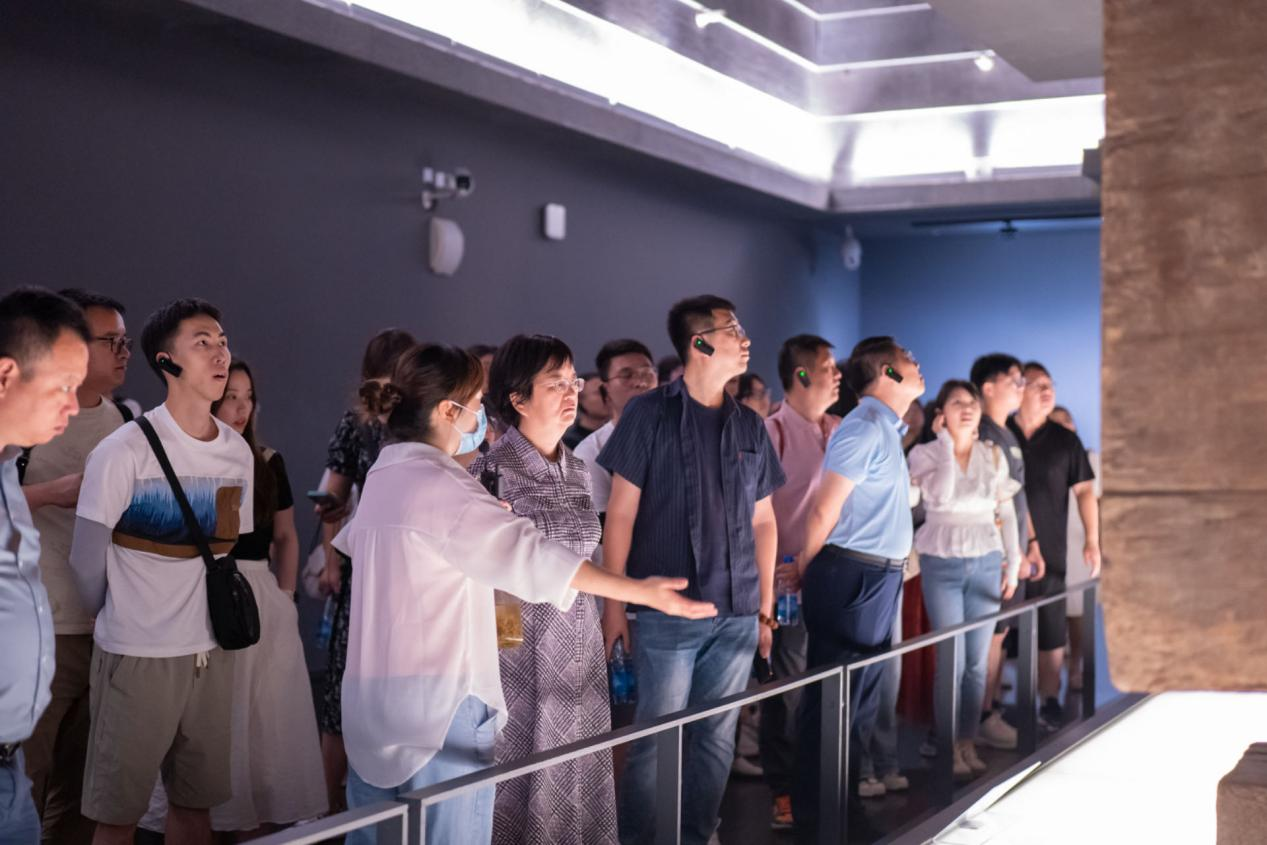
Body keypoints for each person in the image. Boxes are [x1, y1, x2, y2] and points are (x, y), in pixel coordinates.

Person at [331, 342, 716, 845]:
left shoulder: (386, 474)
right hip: (449, 695)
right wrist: (637, 591)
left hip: (378, 695)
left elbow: (372, 548)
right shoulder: (452, 482)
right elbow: (533, 555)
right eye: (475, 402)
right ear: (448, 411)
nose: (481, 416)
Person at [599, 295, 784, 845]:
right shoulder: (649, 412)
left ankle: (699, 836)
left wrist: (765, 610)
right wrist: (616, 606)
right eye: (733, 329)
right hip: (666, 612)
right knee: (655, 741)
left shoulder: (749, 425)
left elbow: (765, 522)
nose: (745, 339)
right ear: (700, 343)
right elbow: (621, 514)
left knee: (716, 740)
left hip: (737, 609)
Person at [68, 298, 253, 845]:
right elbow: (85, 559)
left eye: (222, 342)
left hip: (211, 650)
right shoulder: (123, 450)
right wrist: (114, 615)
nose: (220, 354)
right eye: (203, 343)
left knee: (196, 809)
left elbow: (226, 551)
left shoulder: (237, 453)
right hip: (138, 653)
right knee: (117, 816)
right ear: (166, 361)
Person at [468, 335, 616, 844]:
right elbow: (485, 572)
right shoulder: (490, 470)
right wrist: (504, 645)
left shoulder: (577, 469)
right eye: (555, 384)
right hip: (517, 643)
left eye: (573, 381)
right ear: (518, 398)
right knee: (517, 770)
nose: (572, 393)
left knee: (578, 767)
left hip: (578, 638)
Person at [793, 336, 924, 839]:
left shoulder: (884, 427)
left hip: (877, 574)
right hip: (853, 573)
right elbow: (824, 509)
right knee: (835, 702)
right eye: (908, 358)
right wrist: (808, 570)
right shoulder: (865, 426)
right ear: (887, 372)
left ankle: (840, 811)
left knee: (858, 702)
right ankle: (819, 818)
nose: (917, 364)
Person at [17, 289, 130, 844]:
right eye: (111, 341)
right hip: (41, 625)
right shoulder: (24, 424)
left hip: (106, 627)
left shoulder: (125, 422)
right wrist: (52, 492)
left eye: (126, 341)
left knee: (84, 787)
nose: (124, 353)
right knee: (26, 779)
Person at [209, 360, 327, 833]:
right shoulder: (192, 457)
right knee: (218, 717)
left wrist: (286, 595)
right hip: (209, 587)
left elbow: (286, 535)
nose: (241, 408)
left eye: (248, 397)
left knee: (266, 722)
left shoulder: (267, 459)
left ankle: (253, 825)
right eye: (231, 397)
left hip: (260, 591)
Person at [0, 287, 90, 843]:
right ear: (6, 375)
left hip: (12, 772)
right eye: (64, 386)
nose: (73, 406)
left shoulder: (9, 471)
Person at [314, 328, 416, 813]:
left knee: (374, 693)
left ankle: (353, 811)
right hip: (370, 568)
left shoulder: (419, 421)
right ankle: (329, 811)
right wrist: (333, 561)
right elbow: (330, 501)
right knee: (346, 693)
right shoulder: (360, 425)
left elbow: (329, 502)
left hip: (394, 569)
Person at [908, 380, 1023, 780]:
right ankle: (945, 746)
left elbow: (1006, 512)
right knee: (951, 659)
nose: (967, 408)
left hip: (986, 558)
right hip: (941, 561)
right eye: (957, 402)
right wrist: (945, 443)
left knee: (976, 663)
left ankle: (966, 741)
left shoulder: (992, 454)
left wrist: (1014, 560)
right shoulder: (925, 453)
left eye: (971, 401)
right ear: (942, 412)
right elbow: (940, 495)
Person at [758, 335, 841, 829]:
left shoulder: (840, 429)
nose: (838, 374)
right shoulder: (772, 433)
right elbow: (757, 515)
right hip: (786, 582)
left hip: (834, 579)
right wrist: (768, 578)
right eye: (828, 367)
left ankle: (822, 781)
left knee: (829, 687)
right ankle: (784, 790)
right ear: (802, 375)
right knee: (786, 692)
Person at [1009, 365, 1099, 730]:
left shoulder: (1065, 440)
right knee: (999, 632)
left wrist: (1092, 539)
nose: (1048, 392)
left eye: (1051, 385)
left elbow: (1085, 490)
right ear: (1020, 389)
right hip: (1003, 552)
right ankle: (990, 707)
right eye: (1039, 385)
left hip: (1052, 552)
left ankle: (1049, 699)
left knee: (1051, 629)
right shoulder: (1002, 432)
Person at [970, 353, 1044, 750]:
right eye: (1014, 380)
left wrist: (1029, 544)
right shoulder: (980, 432)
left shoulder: (1006, 433)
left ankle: (990, 709)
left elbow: (1017, 498)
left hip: (1012, 551)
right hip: (993, 552)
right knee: (989, 638)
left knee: (1001, 633)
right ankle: (979, 718)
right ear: (988, 387)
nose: (1021, 387)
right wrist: (1006, 555)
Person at [573, 339, 658, 518]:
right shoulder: (591, 452)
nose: (641, 383)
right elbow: (602, 525)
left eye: (647, 373)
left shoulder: (684, 433)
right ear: (606, 389)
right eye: (627, 376)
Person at [1049, 405, 1101, 689]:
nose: (1065, 426)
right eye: (1057, 422)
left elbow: (1098, 499)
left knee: (1079, 609)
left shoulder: (1090, 458)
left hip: (1081, 539)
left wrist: (1097, 540)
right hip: (1053, 539)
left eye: (1068, 420)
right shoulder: (1046, 459)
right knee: (1052, 609)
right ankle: (1049, 675)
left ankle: (1076, 666)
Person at [562, 371, 609, 450]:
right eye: (598, 393)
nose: (606, 397)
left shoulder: (617, 434)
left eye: (607, 391)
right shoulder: (570, 442)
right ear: (579, 399)